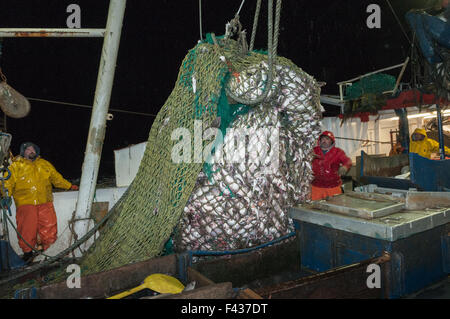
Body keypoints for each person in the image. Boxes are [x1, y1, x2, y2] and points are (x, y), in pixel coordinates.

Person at [2, 142, 78, 263]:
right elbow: (7, 183)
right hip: (25, 203)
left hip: (45, 202)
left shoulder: (44, 164)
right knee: (26, 230)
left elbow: (57, 179)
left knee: (49, 228)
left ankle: (51, 253)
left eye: (33, 149)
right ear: (23, 152)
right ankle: (27, 254)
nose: (31, 151)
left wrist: (70, 186)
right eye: (28, 149)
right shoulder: (15, 166)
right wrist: (5, 196)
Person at [311, 131, 352, 201]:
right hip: (316, 187)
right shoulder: (313, 151)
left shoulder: (338, 152)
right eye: (323, 139)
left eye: (327, 139)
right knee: (315, 207)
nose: (324, 141)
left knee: (334, 207)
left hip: (333, 187)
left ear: (332, 141)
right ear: (319, 141)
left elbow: (347, 161)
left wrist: (345, 167)